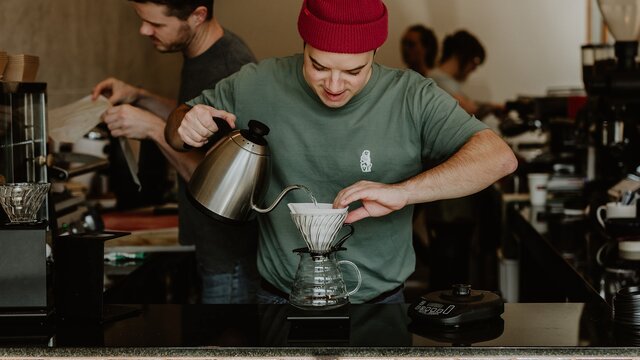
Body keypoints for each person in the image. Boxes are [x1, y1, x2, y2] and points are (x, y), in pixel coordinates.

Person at [165, 0, 518, 304]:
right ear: (303, 43)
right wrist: (186, 122)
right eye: (318, 66)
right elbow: (175, 128)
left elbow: (498, 158)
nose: (334, 86)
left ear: (375, 53)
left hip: (381, 302)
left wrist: (404, 192)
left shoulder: (411, 96)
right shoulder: (256, 83)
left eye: (353, 71)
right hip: (278, 297)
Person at [91, 0, 259, 304]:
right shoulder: (204, 54)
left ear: (197, 16)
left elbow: (223, 185)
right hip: (212, 248)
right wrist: (139, 96)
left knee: (227, 349)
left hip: (229, 257)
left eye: (156, 24)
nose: (144, 30)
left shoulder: (227, 67)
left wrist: (153, 129)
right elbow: (195, 127)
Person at [429, 30, 503, 119]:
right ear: (461, 54)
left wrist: (491, 106)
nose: (474, 69)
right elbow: (469, 109)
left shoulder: (444, 80)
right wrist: (492, 108)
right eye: (475, 62)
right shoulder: (437, 78)